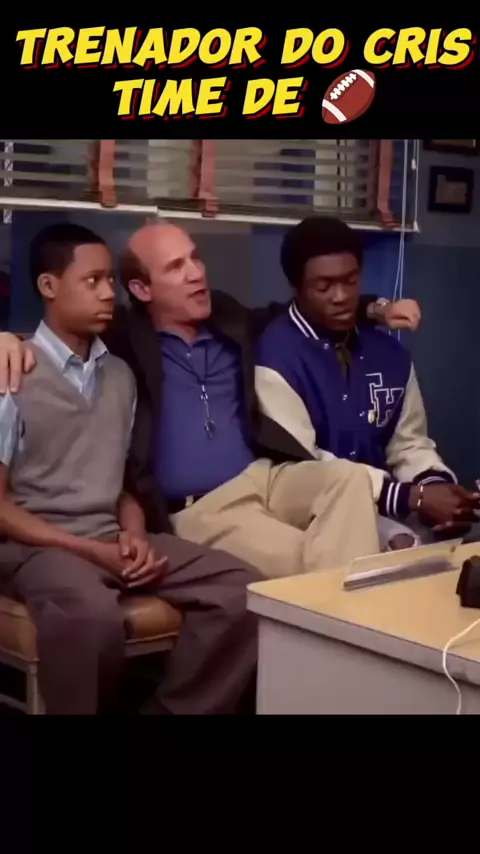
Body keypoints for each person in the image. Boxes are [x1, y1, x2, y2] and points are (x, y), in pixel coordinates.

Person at [0, 221, 420, 578]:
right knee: (309, 562)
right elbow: (60, 333)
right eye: (176, 267)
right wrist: (5, 340)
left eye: (195, 259)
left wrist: (375, 310)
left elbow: (297, 310)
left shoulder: (227, 318)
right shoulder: (123, 337)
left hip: (265, 476)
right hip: (202, 507)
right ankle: (343, 636)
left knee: (348, 479)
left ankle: (340, 625)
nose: (196, 273)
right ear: (142, 289)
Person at [0, 223, 261, 716]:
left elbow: (120, 481)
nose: (107, 294)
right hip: (34, 546)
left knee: (245, 592)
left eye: (110, 282)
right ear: (49, 286)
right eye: (92, 281)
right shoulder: (12, 373)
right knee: (90, 618)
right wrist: (91, 551)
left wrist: (135, 535)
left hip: (108, 534)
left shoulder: (120, 374)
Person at [255, 215, 479, 549]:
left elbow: (409, 444)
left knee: (465, 536)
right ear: (296, 288)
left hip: (394, 499)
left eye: (351, 280)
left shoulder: (390, 354)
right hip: (322, 507)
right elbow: (305, 464)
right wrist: (409, 497)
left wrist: (434, 487)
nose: (341, 296)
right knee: (402, 545)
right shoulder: (275, 357)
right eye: (324, 287)